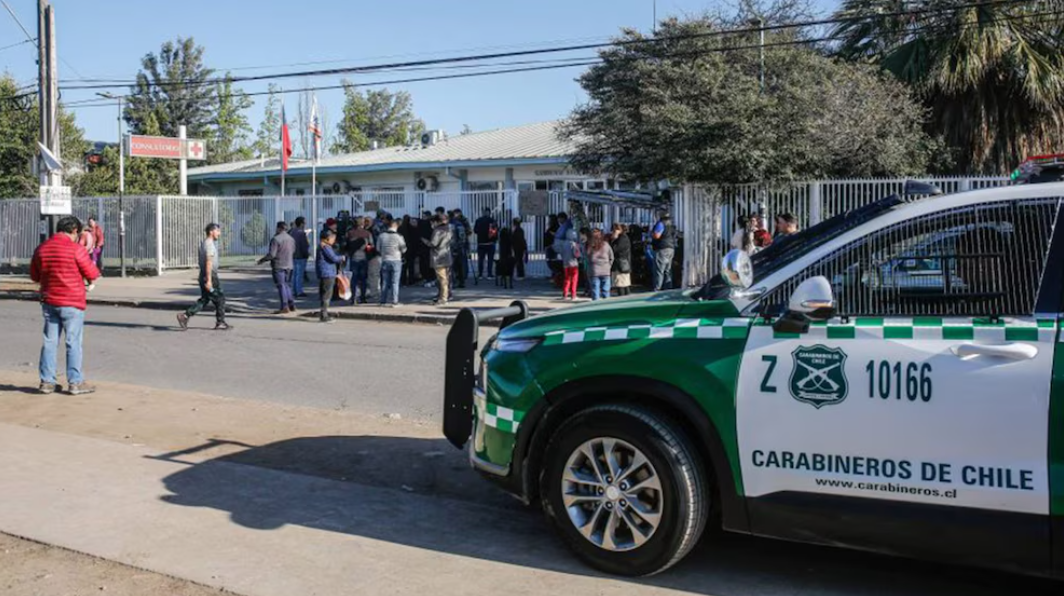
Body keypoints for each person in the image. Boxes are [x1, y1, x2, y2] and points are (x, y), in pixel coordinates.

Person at [30, 215, 101, 395]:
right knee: (73, 342)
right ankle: (75, 382)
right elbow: (92, 272)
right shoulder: (76, 249)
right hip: (72, 302)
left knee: (49, 341)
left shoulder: (42, 249)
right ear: (75, 231)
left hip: (49, 301)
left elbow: (34, 276)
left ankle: (47, 382)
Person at [176, 223, 230, 332]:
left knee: (205, 299)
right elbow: (208, 262)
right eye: (217, 231)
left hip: (204, 275)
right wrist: (209, 280)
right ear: (211, 231)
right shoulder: (209, 244)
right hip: (210, 276)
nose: (219, 233)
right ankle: (220, 322)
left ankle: (185, 316)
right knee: (220, 298)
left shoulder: (204, 243)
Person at [258, 221, 296, 314]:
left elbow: (272, 254)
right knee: (287, 285)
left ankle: (284, 306)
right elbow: (293, 250)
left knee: (281, 286)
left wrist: (262, 260)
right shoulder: (291, 239)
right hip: (289, 265)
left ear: (279, 228)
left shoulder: (276, 239)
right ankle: (291, 304)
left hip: (279, 265)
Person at [377, 215, 407, 307]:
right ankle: (394, 301)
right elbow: (404, 249)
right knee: (395, 282)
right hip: (396, 260)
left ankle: (383, 301)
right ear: (395, 226)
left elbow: (378, 248)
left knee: (385, 282)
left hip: (385, 260)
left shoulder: (381, 235)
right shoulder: (399, 236)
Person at [424, 214, 453, 306]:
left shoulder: (437, 231)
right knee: (446, 278)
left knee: (441, 278)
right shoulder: (449, 229)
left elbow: (433, 243)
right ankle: (445, 295)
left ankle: (443, 298)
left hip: (438, 256)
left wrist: (424, 241)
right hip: (447, 255)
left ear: (436, 221)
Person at [316, 229, 343, 323]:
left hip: (325, 272)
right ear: (328, 238)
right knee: (327, 295)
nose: (334, 240)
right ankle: (324, 315)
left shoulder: (322, 246)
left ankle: (324, 313)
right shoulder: (325, 247)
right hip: (327, 273)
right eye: (333, 238)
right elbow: (333, 258)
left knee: (325, 294)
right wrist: (342, 257)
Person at [346, 218, 373, 304]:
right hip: (363, 258)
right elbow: (371, 245)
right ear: (363, 224)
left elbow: (346, 245)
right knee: (363, 279)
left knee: (354, 279)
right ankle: (363, 298)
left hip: (353, 258)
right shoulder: (367, 233)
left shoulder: (350, 233)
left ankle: (353, 298)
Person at [650, 212, 677, 291]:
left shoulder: (660, 224)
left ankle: (657, 288)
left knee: (659, 270)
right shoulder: (671, 225)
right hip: (671, 248)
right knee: (668, 270)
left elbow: (656, 235)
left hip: (662, 248)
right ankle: (668, 287)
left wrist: (651, 234)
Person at [588, 229, 614, 300]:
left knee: (595, 291)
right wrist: (609, 266)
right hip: (606, 270)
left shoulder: (590, 246)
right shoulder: (606, 245)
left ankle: (596, 307)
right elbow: (611, 257)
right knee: (606, 291)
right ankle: (606, 307)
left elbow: (586, 257)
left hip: (594, 271)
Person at [473, 207, 498, 279]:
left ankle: (480, 274)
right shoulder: (492, 221)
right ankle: (489, 274)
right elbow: (495, 232)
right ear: (489, 212)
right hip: (490, 243)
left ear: (483, 212)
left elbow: (475, 230)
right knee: (490, 260)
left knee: (481, 259)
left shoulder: (478, 220)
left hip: (481, 243)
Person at [610, 223, 633, 296]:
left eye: (613, 231)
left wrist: (614, 238)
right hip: (622, 263)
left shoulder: (622, 238)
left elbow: (614, 249)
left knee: (621, 284)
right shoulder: (623, 238)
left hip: (621, 265)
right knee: (624, 284)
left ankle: (622, 298)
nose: (612, 232)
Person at [290, 216, 310, 297]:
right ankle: (299, 291)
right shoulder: (301, 233)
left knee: (294, 274)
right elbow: (304, 246)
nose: (305, 225)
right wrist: (307, 254)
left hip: (293, 255)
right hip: (301, 256)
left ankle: (294, 290)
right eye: (304, 223)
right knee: (299, 275)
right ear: (301, 224)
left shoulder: (292, 232)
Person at [450, 208, 470, 288]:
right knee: (459, 265)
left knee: (454, 265)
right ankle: (461, 281)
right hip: (459, 247)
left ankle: (456, 281)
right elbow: (463, 237)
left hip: (454, 247)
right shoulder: (459, 224)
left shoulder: (454, 224)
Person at [560, 228, 582, 300]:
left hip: (565, 263)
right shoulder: (574, 244)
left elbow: (561, 253)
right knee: (574, 280)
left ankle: (565, 294)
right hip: (573, 264)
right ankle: (573, 295)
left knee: (567, 279)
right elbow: (576, 255)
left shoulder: (563, 244)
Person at [365, 217, 383, 302]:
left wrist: (371, 248)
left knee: (374, 275)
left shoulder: (374, 230)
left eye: (367, 221)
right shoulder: (369, 230)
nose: (366, 223)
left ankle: (375, 292)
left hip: (374, 255)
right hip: (370, 255)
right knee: (371, 275)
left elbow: (376, 243)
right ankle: (372, 292)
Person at [417, 210, 435, 285]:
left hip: (427, 246)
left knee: (426, 263)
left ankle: (428, 278)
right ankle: (430, 278)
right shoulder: (428, 224)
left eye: (424, 216)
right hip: (428, 247)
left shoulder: (425, 224)